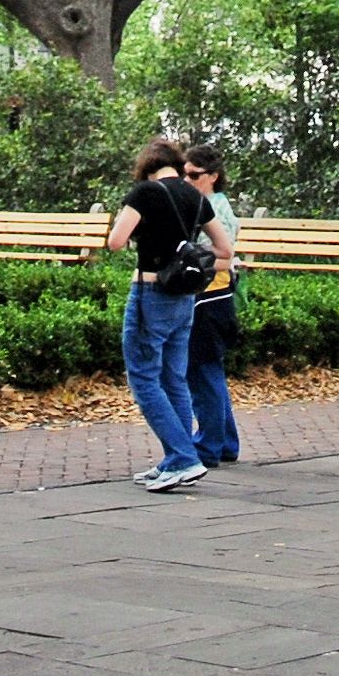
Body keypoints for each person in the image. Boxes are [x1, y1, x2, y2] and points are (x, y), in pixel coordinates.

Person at [103, 136, 211, 491]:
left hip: (150, 292)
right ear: (178, 165)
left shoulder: (144, 194)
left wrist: (141, 235)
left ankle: (184, 458)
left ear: (146, 167)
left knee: (144, 378)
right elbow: (224, 246)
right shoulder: (194, 196)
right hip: (184, 296)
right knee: (173, 378)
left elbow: (116, 242)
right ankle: (175, 459)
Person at [182, 143, 242, 470]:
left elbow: (224, 258)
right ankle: (225, 443)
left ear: (213, 176)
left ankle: (207, 446)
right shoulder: (214, 204)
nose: (186, 181)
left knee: (202, 372)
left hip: (209, 298)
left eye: (194, 175)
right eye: (183, 175)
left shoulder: (211, 210)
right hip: (215, 298)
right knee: (210, 370)